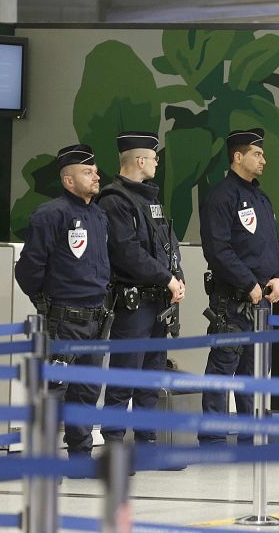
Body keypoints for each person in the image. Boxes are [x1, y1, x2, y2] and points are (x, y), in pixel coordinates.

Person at [15, 144, 110, 460]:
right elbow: (28, 268)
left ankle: (81, 456)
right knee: (54, 390)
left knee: (87, 391)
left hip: (96, 319)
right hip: (63, 320)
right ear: (68, 180)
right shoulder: (50, 215)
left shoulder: (99, 216)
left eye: (95, 171)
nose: (96, 176)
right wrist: (44, 302)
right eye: (87, 172)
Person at [198, 128, 279, 445]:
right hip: (233, 300)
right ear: (238, 157)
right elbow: (218, 250)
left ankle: (252, 435)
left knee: (255, 370)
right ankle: (212, 438)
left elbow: (274, 246)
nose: (264, 160)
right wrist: (248, 283)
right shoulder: (221, 196)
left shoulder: (261, 198)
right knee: (224, 367)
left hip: (262, 302)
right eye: (257, 154)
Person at [97, 131, 185, 449]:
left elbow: (167, 242)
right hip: (133, 304)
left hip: (158, 301)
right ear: (139, 160)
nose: (157, 162)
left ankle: (147, 442)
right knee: (125, 376)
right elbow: (128, 253)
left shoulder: (150, 198)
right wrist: (167, 279)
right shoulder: (114, 200)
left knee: (151, 377)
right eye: (153, 157)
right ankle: (114, 445)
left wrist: (178, 276)